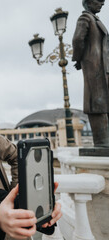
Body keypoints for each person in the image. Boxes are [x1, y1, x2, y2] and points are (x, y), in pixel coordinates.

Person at [72, 0, 109, 147]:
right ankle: (102, 142)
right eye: (99, 0)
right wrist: (78, 58)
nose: (103, 3)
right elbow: (77, 39)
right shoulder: (86, 18)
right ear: (88, 2)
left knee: (102, 101)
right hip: (94, 67)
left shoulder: (94, 20)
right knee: (96, 102)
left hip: (101, 67)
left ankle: (105, 141)